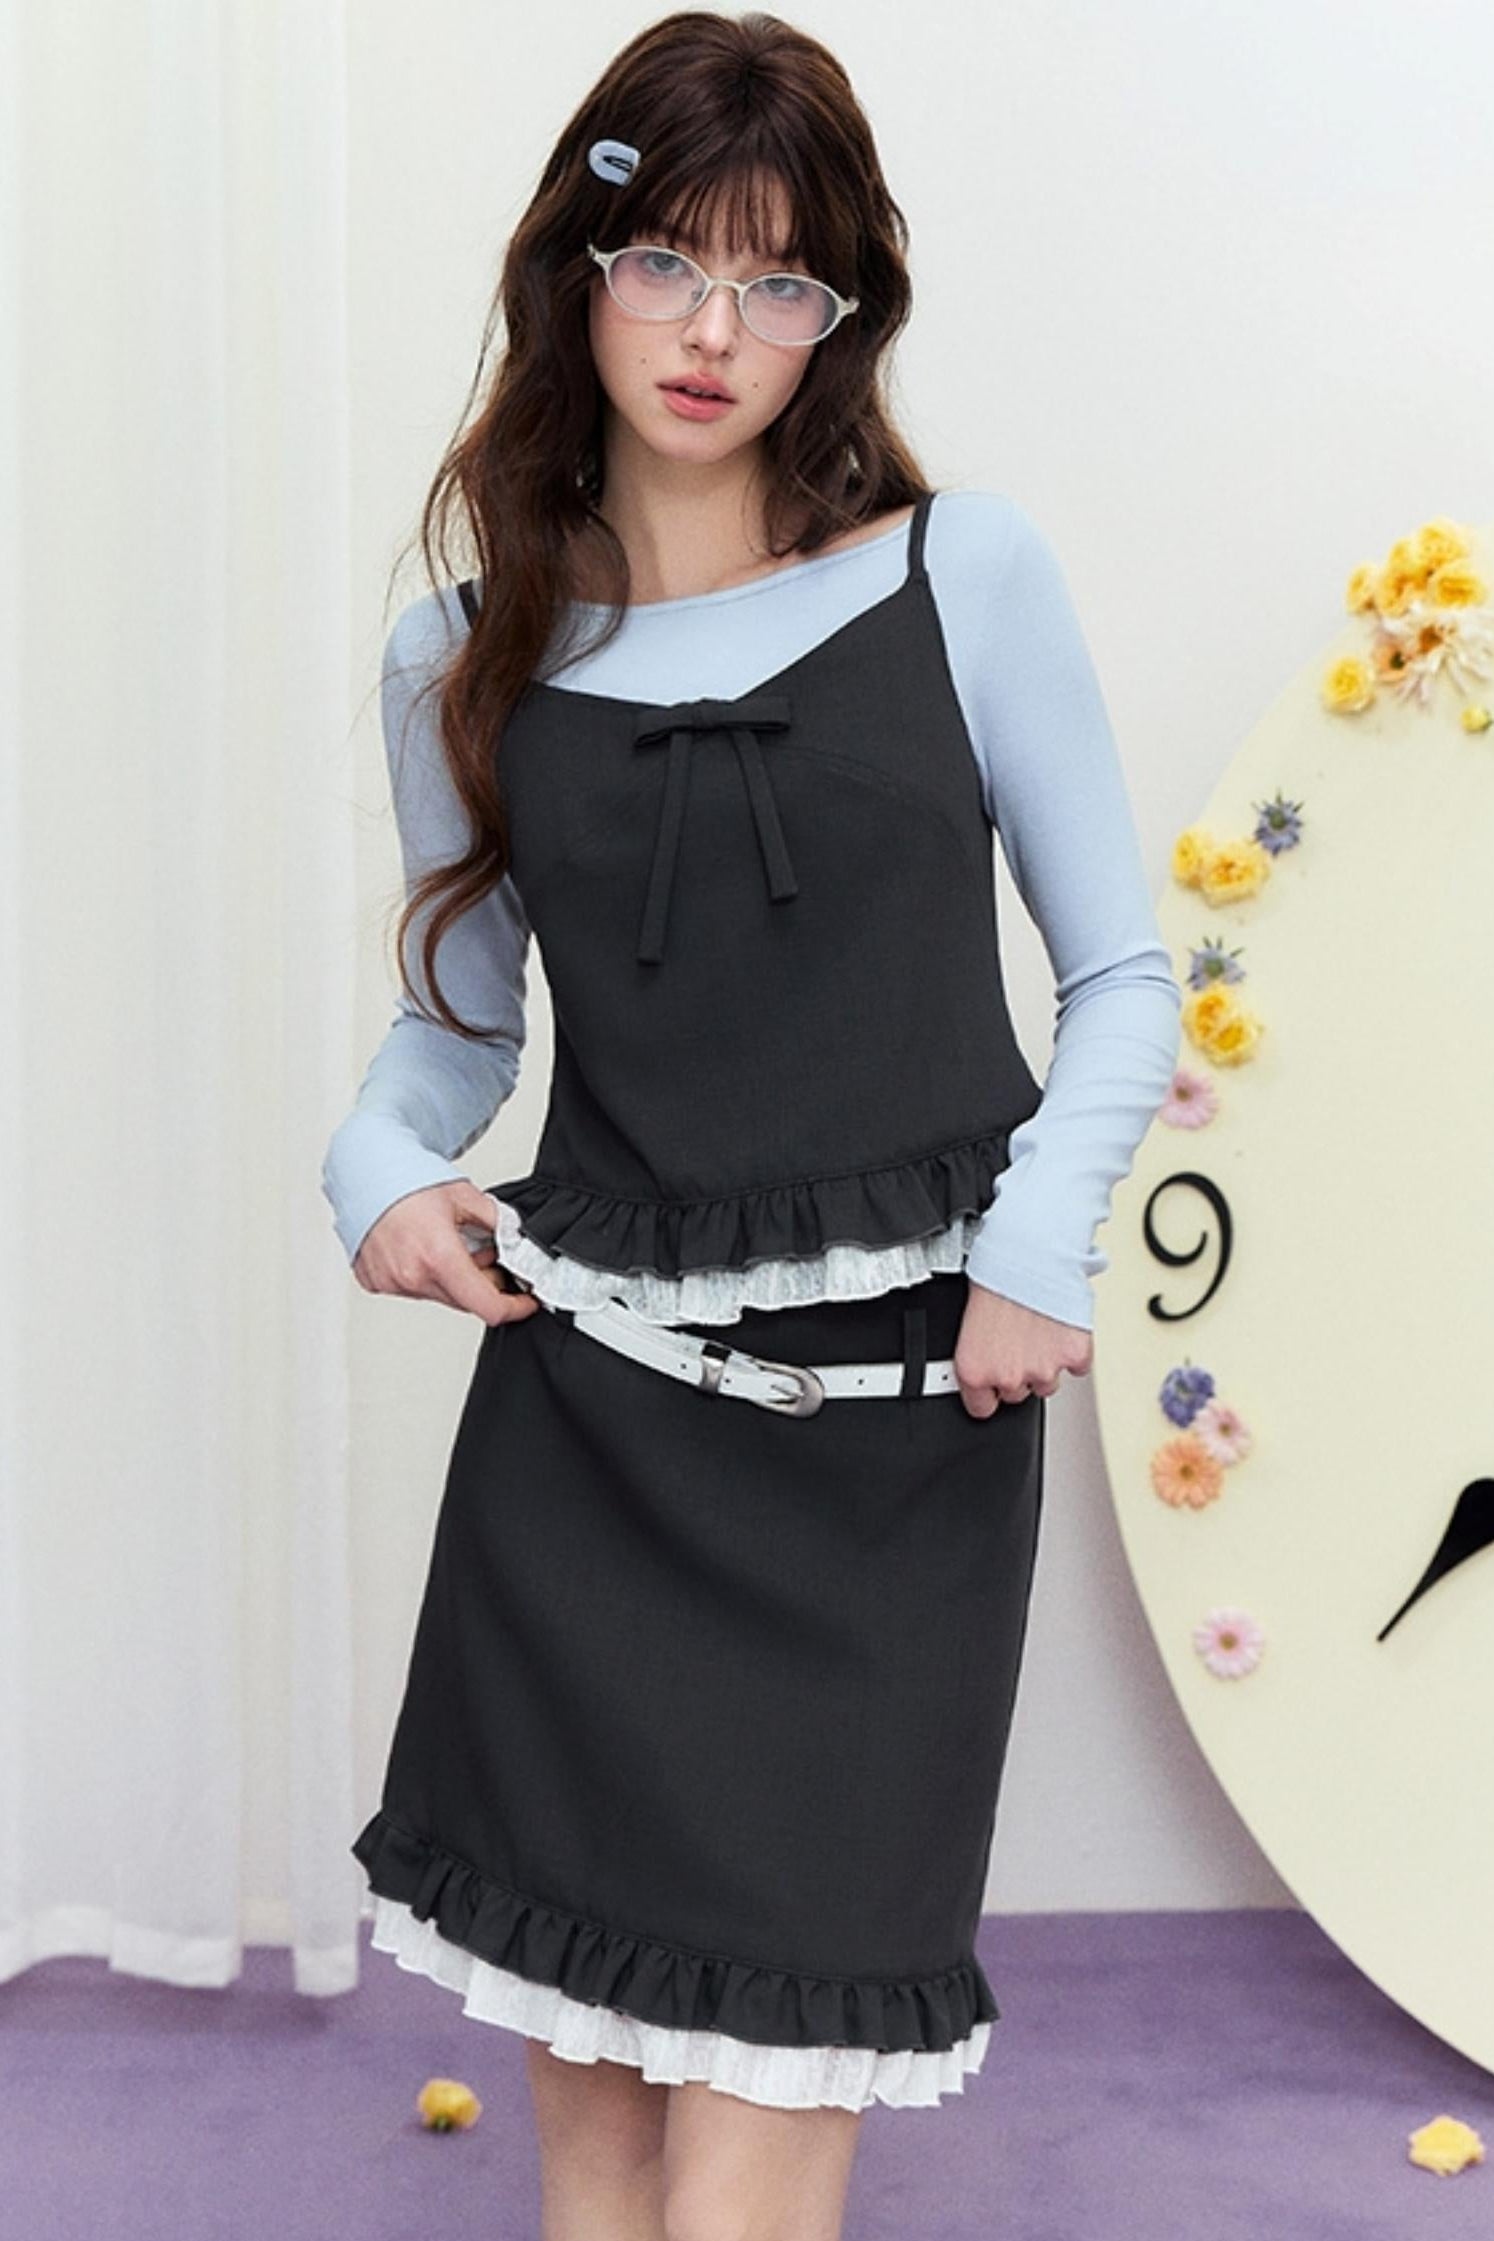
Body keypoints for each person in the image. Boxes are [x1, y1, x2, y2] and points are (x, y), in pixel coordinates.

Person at [322, 12, 1182, 2238]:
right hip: (586, 1446)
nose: (714, 333)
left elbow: (1122, 974)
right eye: (668, 264)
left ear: (841, 311)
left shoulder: (963, 574)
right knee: (600, 2131)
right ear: (578, 268)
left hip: (895, 1449)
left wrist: (1036, 1248)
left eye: (778, 280)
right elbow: (454, 1033)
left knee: (770, 2119)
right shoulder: (460, 656)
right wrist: (377, 1173)